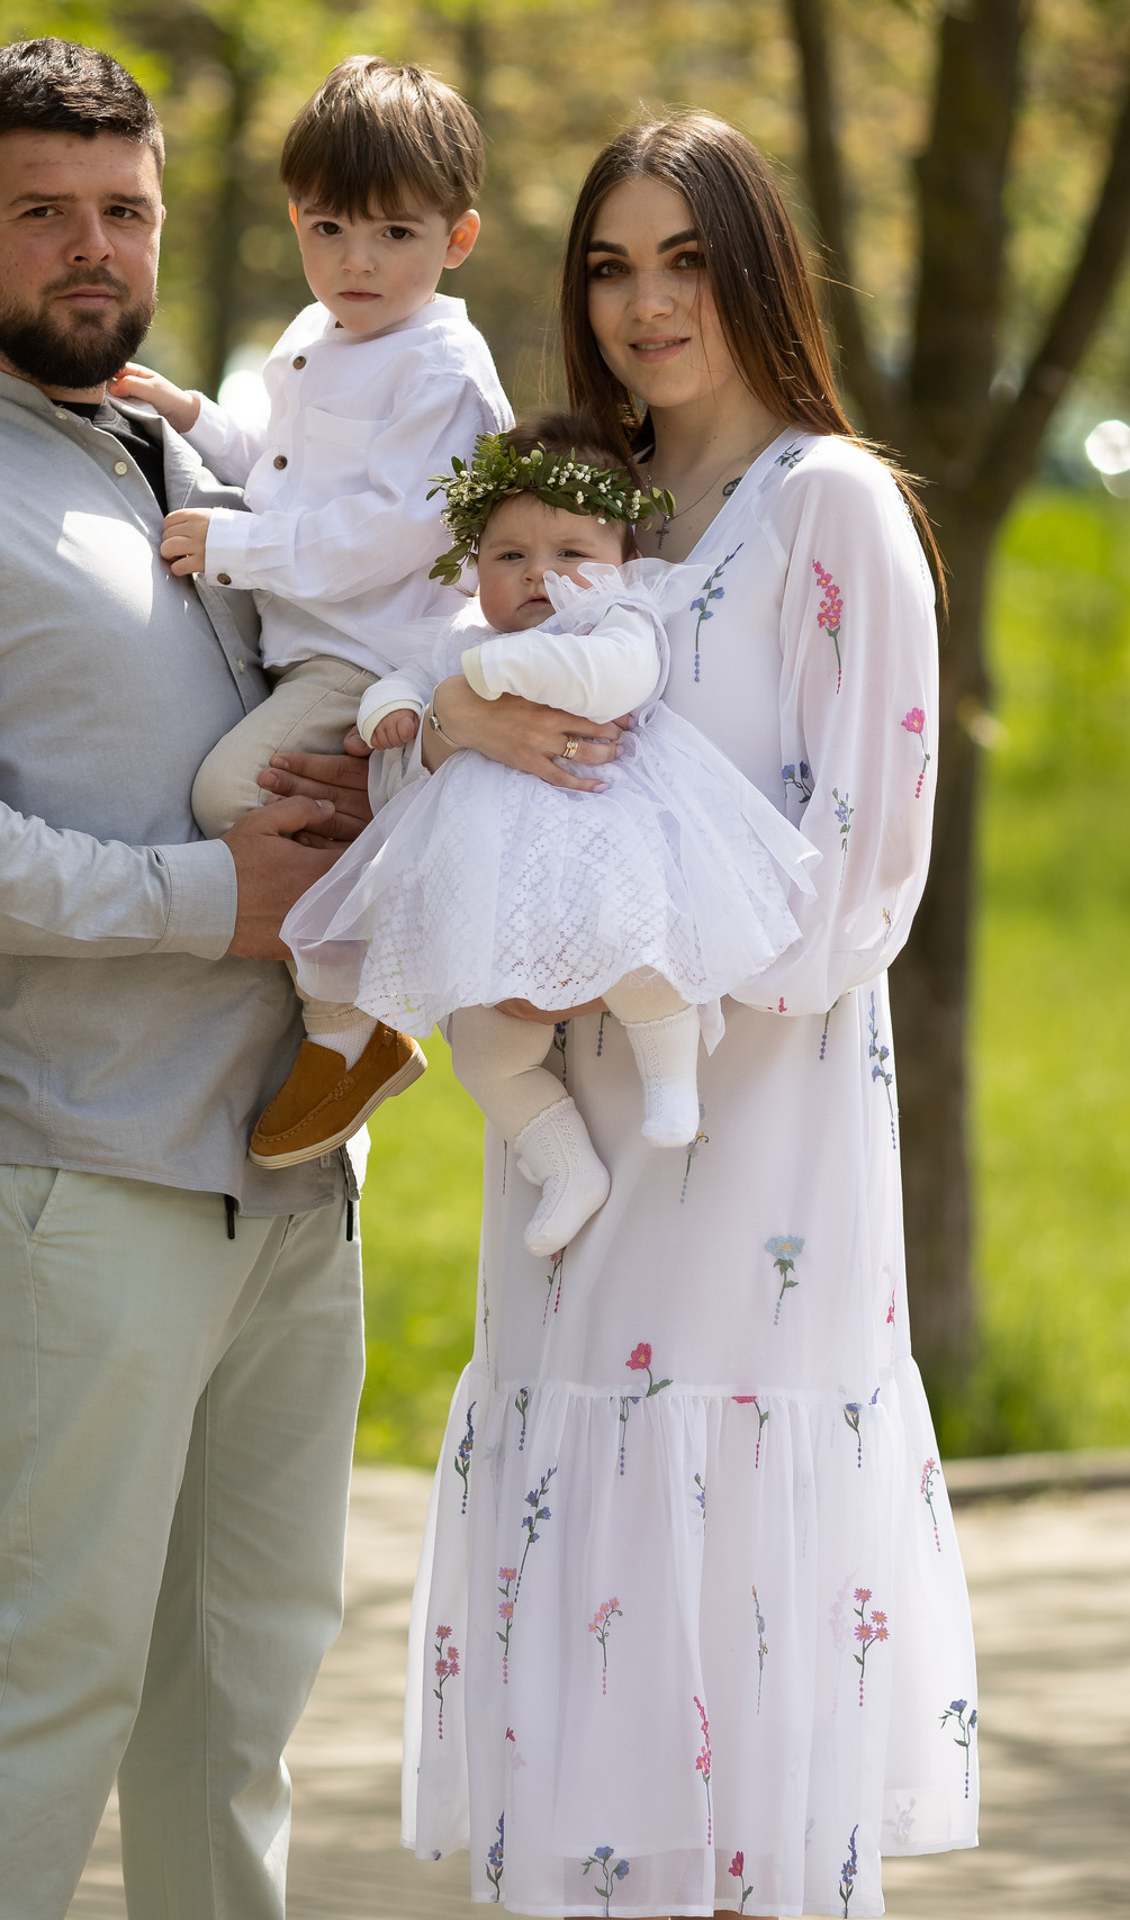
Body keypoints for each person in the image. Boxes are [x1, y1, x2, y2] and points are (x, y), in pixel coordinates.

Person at [0, 39, 383, 1920]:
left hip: (285, 1176)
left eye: (121, 209)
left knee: (240, 1693)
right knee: (56, 1668)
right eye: (42, 213)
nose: (90, 248)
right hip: (81, 1164)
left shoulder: (183, 452)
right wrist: (212, 902)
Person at [389, 114, 980, 1917]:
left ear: (755, 268)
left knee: (730, 1618)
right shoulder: (574, 513)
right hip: (566, 1174)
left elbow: (867, 880)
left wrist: (615, 952)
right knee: (582, 1606)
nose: (646, 305)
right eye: (609, 266)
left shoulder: (834, 510)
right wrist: (451, 728)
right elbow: (435, 711)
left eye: (684, 259)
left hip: (754, 1160)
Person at [284, 417, 819, 1258]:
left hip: (601, 850)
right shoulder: (462, 639)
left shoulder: (615, 622)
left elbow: (615, 680)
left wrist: (502, 677)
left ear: (618, 558)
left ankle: (670, 1079)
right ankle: (566, 1164)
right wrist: (392, 709)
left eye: (571, 552)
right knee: (487, 1051)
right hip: (495, 893)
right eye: (510, 557)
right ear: (476, 566)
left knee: (643, 958)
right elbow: (408, 679)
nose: (541, 576)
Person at [112, 54, 513, 1172]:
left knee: (232, 791)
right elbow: (288, 466)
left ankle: (354, 1026)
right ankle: (364, 956)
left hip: (379, 653)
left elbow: (400, 530)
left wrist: (237, 548)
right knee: (254, 789)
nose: (359, 261)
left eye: (395, 234)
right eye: (330, 229)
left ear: (457, 240)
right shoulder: (320, 333)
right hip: (317, 647)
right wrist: (196, 417)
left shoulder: (441, 367)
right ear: (296, 222)